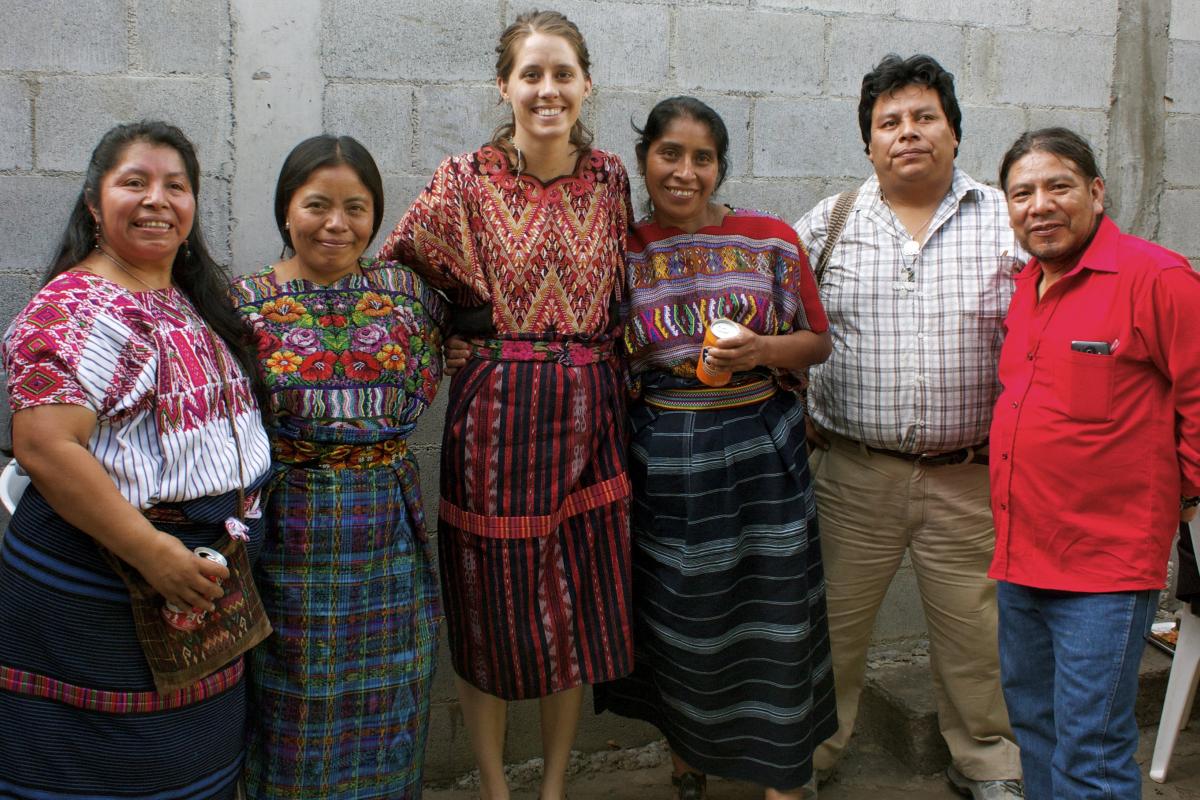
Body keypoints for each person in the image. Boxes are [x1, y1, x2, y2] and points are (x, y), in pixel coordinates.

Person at [376, 10, 633, 800]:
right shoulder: (464, 178)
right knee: (488, 607)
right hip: (496, 417)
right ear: (505, 85)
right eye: (532, 74)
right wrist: (450, 334)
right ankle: (495, 788)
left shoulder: (613, 178)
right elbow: (402, 270)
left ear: (586, 84)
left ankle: (551, 786)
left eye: (563, 74)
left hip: (593, 409)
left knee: (573, 606)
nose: (547, 90)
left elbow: (626, 290)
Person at [0, 120, 272, 800]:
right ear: (95, 204)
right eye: (134, 183)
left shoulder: (187, 298)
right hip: (108, 588)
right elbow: (44, 444)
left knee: (186, 776)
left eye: (175, 187)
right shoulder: (75, 306)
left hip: (196, 590)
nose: (157, 199)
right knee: (102, 778)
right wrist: (153, 553)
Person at [793, 54, 1024, 799]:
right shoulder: (827, 226)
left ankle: (987, 759)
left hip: (971, 477)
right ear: (869, 143)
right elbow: (771, 322)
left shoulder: (1007, 222)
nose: (908, 133)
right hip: (855, 475)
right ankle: (813, 757)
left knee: (975, 637)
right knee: (830, 629)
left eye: (924, 117)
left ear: (954, 131)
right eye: (889, 122)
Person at [594, 96, 836, 800]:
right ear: (644, 160)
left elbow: (817, 341)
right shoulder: (623, 252)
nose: (685, 171)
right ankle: (687, 761)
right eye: (670, 153)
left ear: (720, 167)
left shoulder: (771, 241)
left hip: (764, 458)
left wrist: (759, 348)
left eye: (703, 158)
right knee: (683, 618)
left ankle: (784, 780)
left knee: (776, 616)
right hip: (666, 462)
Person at [231, 134, 445, 798]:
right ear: (285, 210)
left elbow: (466, 336)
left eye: (355, 207)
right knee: (293, 697)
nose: (336, 224)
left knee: (393, 694)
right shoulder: (242, 306)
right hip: (292, 534)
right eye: (317, 204)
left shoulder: (409, 294)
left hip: (388, 534)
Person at [990, 127, 1200, 800]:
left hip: (1104, 568)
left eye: (1058, 186)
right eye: (1022, 193)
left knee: (1091, 750)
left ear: (1096, 192)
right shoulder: (1029, 286)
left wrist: (1178, 494)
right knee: (1036, 729)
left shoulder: (1157, 278)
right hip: (1022, 555)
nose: (1040, 205)